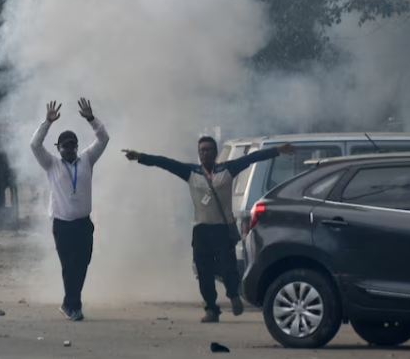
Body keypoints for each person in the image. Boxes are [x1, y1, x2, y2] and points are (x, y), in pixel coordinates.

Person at [123, 138, 296, 323]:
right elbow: (165, 163)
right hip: (201, 231)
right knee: (204, 273)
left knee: (229, 268)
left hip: (223, 230)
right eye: (202, 150)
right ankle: (212, 310)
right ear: (199, 154)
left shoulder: (228, 169)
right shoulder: (190, 172)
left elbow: (253, 158)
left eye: (209, 150)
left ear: (215, 152)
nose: (206, 153)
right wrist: (140, 157)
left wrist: (277, 150)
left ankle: (233, 294)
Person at [30, 98, 109, 322]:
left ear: (77, 146)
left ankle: (70, 304)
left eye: (72, 146)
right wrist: (47, 122)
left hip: (84, 224)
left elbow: (104, 139)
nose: (69, 150)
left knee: (82, 263)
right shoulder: (51, 164)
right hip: (62, 225)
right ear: (58, 148)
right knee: (69, 265)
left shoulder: (87, 160)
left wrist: (92, 119)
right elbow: (34, 145)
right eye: (64, 146)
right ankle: (73, 306)